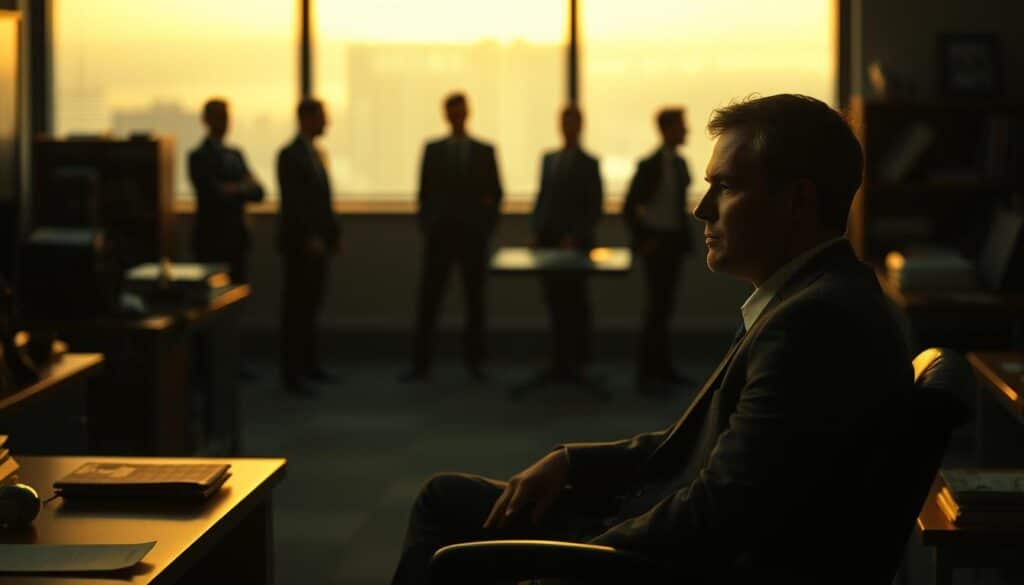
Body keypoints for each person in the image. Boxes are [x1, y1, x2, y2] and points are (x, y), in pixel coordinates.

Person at [390, 94, 914, 585]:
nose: (701, 208)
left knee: (443, 511)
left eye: (727, 187)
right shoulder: (815, 297)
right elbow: (699, 449)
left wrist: (579, 556)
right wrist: (574, 461)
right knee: (445, 497)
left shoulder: (812, 324)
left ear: (799, 201)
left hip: (652, 557)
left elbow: (716, 515)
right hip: (658, 514)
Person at [402, 93, 503, 383]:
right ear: (446, 115)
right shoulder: (433, 150)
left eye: (460, 112)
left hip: (472, 237)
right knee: (429, 301)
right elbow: (424, 193)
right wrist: (428, 226)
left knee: (475, 302)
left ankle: (475, 362)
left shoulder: (484, 151)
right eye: (453, 112)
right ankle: (421, 364)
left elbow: (496, 193)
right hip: (440, 237)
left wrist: (485, 228)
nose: (457, 117)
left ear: (467, 113)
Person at [623, 107, 694, 395]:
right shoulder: (649, 165)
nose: (686, 131)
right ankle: (647, 372)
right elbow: (629, 206)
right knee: (656, 307)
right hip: (656, 243)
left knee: (665, 307)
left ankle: (662, 369)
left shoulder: (680, 164)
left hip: (673, 243)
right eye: (681, 126)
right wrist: (643, 240)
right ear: (666, 129)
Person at [530, 105, 603, 381]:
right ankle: (558, 360)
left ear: (580, 126)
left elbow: (594, 206)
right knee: (553, 301)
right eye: (564, 123)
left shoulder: (589, 163)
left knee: (576, 301)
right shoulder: (549, 159)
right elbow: (543, 198)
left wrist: (576, 236)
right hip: (549, 242)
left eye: (572, 123)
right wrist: (536, 232)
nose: (568, 128)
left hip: (577, 245)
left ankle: (576, 360)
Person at [276, 98, 340, 396]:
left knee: (311, 305)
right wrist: (308, 237)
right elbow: (295, 204)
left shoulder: (317, 153)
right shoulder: (289, 155)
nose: (326, 123)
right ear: (306, 119)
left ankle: (309, 364)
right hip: (300, 244)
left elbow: (323, 201)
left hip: (318, 243)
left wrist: (332, 236)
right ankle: (292, 372)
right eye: (321, 117)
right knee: (296, 307)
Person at [188, 98, 264, 284]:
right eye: (220, 117)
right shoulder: (198, 157)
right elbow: (213, 194)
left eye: (226, 117)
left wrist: (230, 189)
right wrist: (242, 186)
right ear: (206, 120)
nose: (224, 122)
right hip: (211, 239)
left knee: (237, 290)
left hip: (236, 239)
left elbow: (259, 192)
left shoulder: (234, 154)